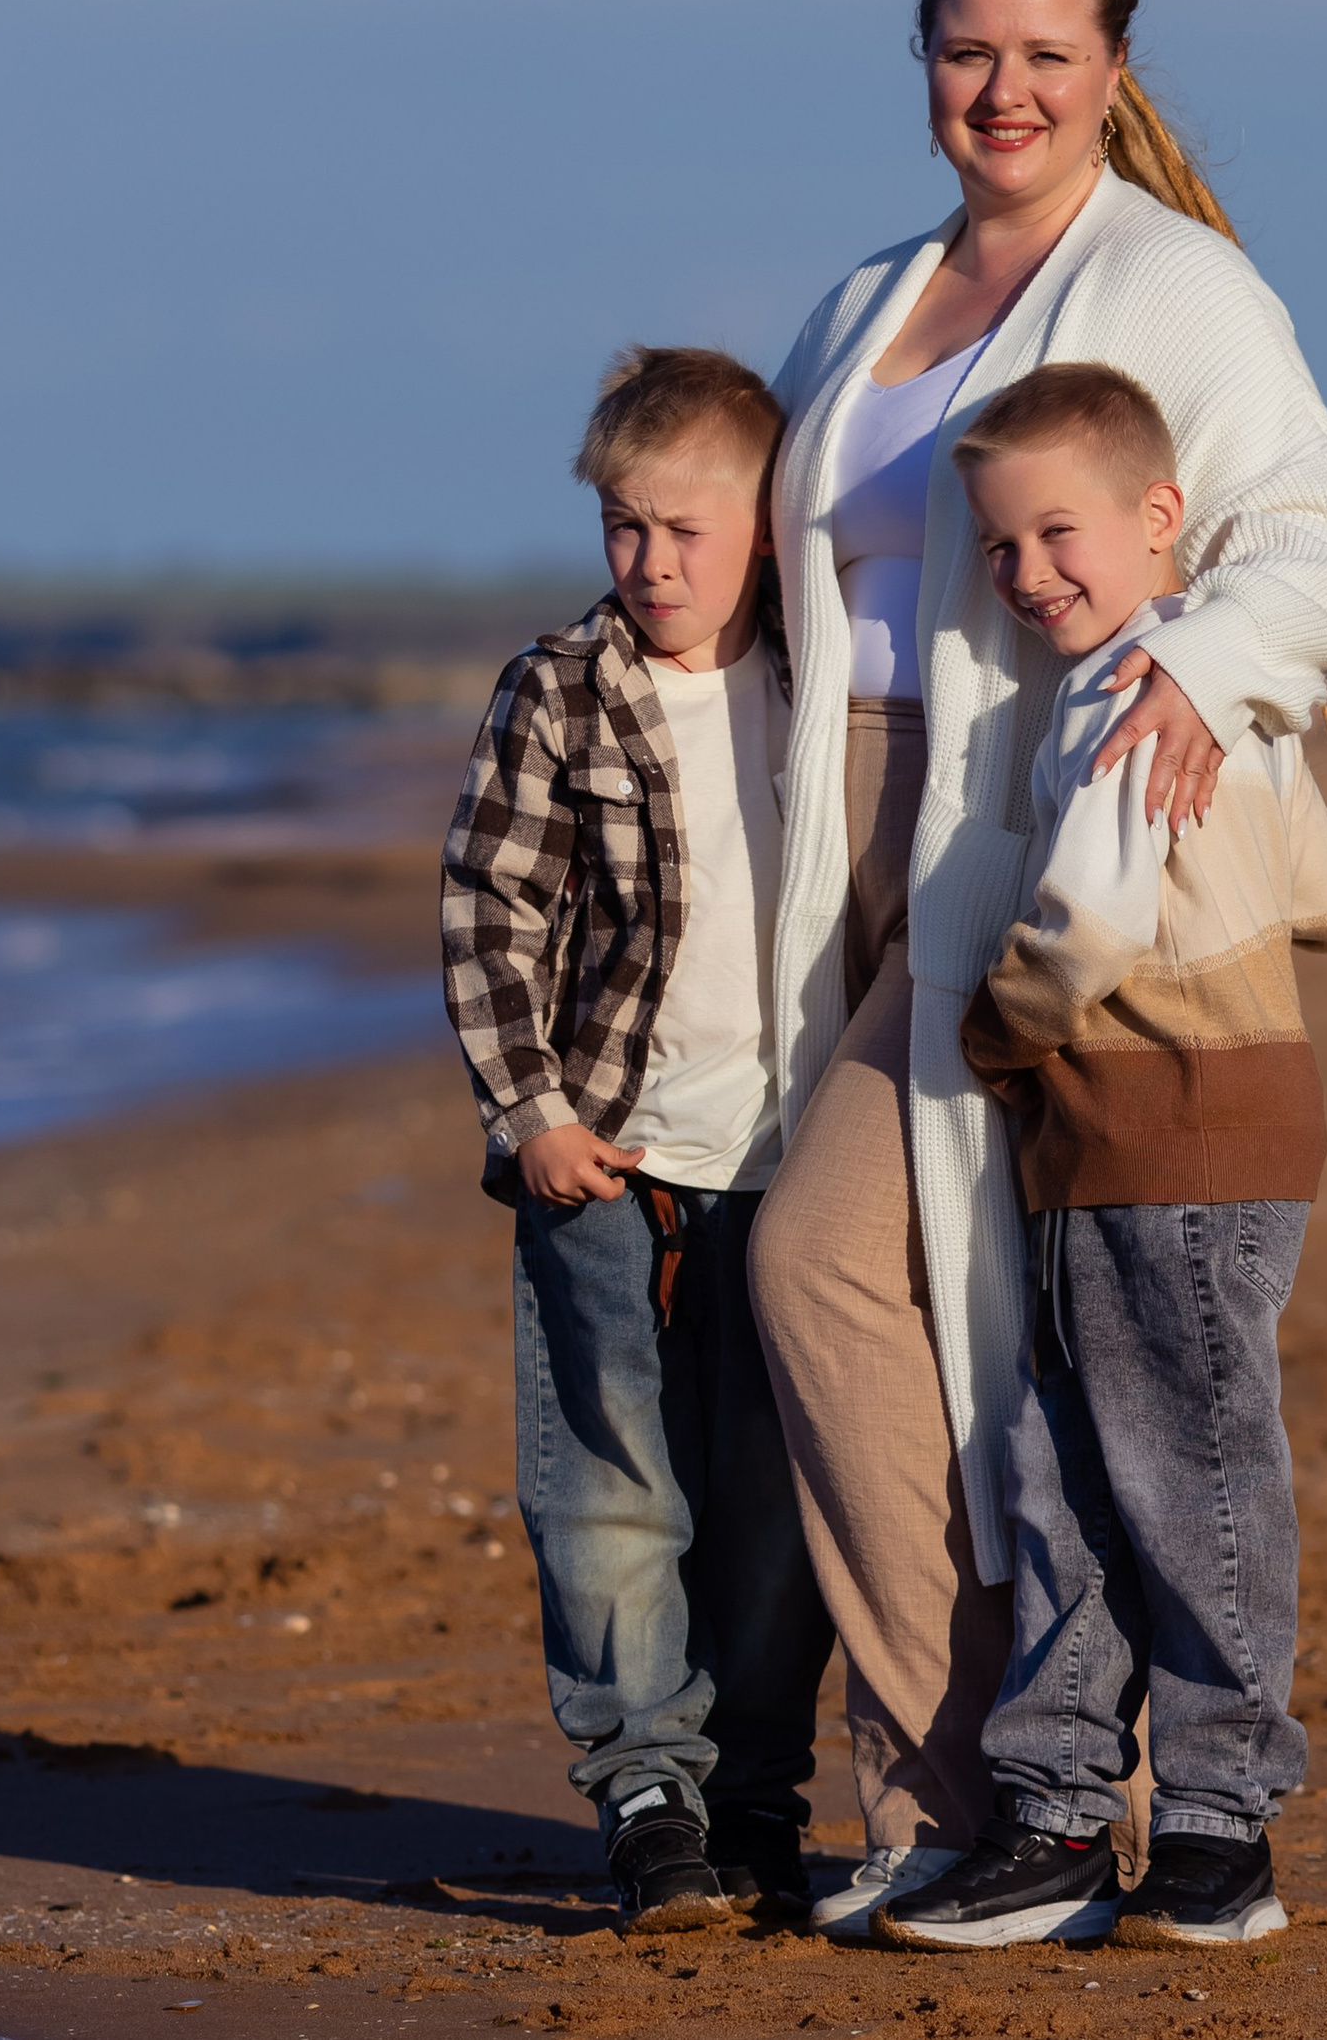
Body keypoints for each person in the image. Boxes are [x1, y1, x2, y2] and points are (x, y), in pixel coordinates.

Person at [748, 0, 1327, 1937]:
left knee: (832, 1271)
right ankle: (964, 1800)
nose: (998, 89)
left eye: (1041, 52)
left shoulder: (1175, 285)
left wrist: (1194, 676)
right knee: (959, 1337)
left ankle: (976, 1794)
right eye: (963, 49)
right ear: (919, 60)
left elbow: (1306, 533)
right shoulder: (865, 301)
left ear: (1109, 66)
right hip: (811, 837)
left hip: (1003, 843)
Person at [872, 363, 1327, 1952]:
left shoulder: (1125, 699)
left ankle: (1220, 1829)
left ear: (1165, 522)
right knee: (1072, 1471)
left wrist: (995, 1036)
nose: (1029, 576)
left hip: (1171, 1124)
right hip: (1168, 1134)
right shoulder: (1225, 691)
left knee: (1188, 1477)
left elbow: (1081, 925)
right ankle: (1060, 1808)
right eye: (1003, 549)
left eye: (1059, 534)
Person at [440, 347, 832, 1935]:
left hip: (796, 1164)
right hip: (603, 1161)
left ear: (766, 521)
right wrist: (530, 1111)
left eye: (687, 528)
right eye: (623, 527)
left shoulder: (831, 682)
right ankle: (648, 1793)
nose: (652, 563)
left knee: (773, 1501)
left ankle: (756, 1795)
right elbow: (491, 906)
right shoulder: (561, 690)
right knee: (606, 1486)